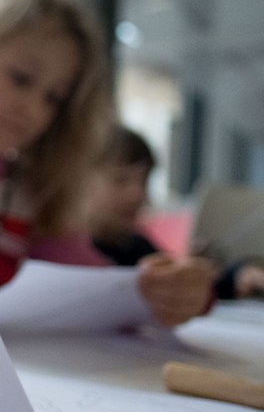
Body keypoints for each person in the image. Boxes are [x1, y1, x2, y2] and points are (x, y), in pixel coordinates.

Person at [0, 0, 213, 328]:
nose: (33, 108)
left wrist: (176, 292)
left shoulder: (36, 193)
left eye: (53, 98)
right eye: (21, 78)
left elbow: (94, 290)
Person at [88, 124, 264, 300]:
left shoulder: (135, 247)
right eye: (121, 180)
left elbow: (178, 288)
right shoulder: (70, 253)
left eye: (144, 182)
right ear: (76, 182)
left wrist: (233, 277)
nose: (138, 194)